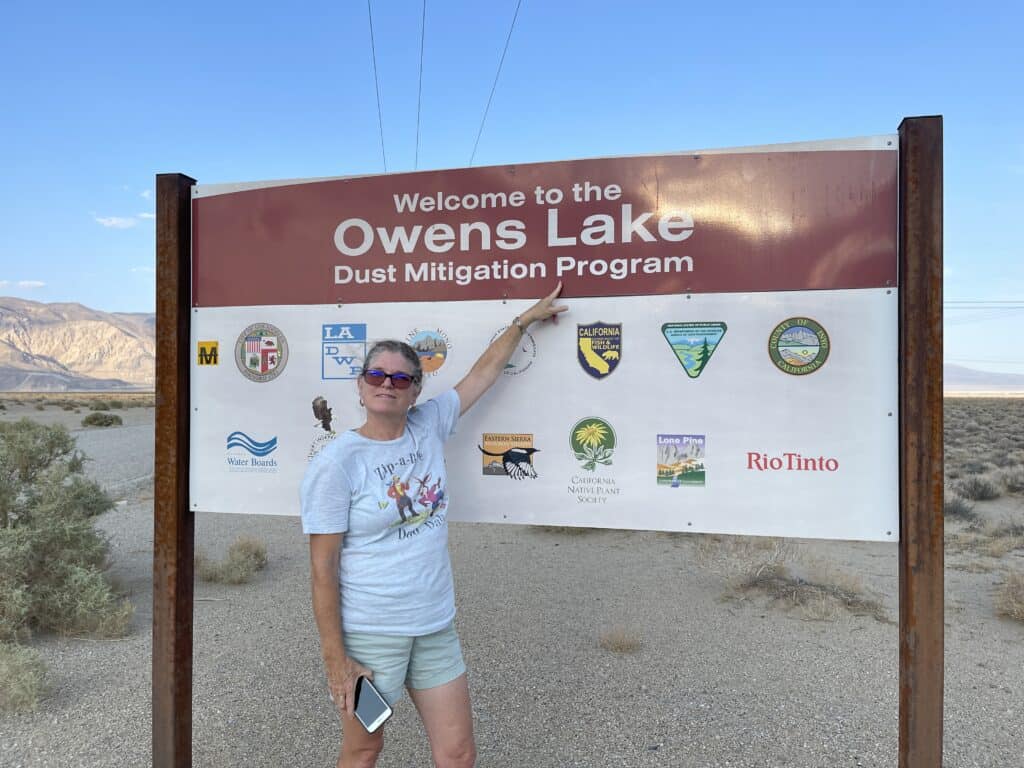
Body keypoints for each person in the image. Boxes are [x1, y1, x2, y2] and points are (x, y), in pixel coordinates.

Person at [300, 284, 568, 768]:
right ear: (360, 386)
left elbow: (483, 373)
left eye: (401, 379)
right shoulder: (337, 464)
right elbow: (322, 567)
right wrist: (336, 659)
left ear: (416, 390)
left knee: (458, 753)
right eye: (377, 375)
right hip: (371, 636)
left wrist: (522, 322)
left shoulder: (429, 423)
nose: (388, 384)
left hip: (434, 628)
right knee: (365, 748)